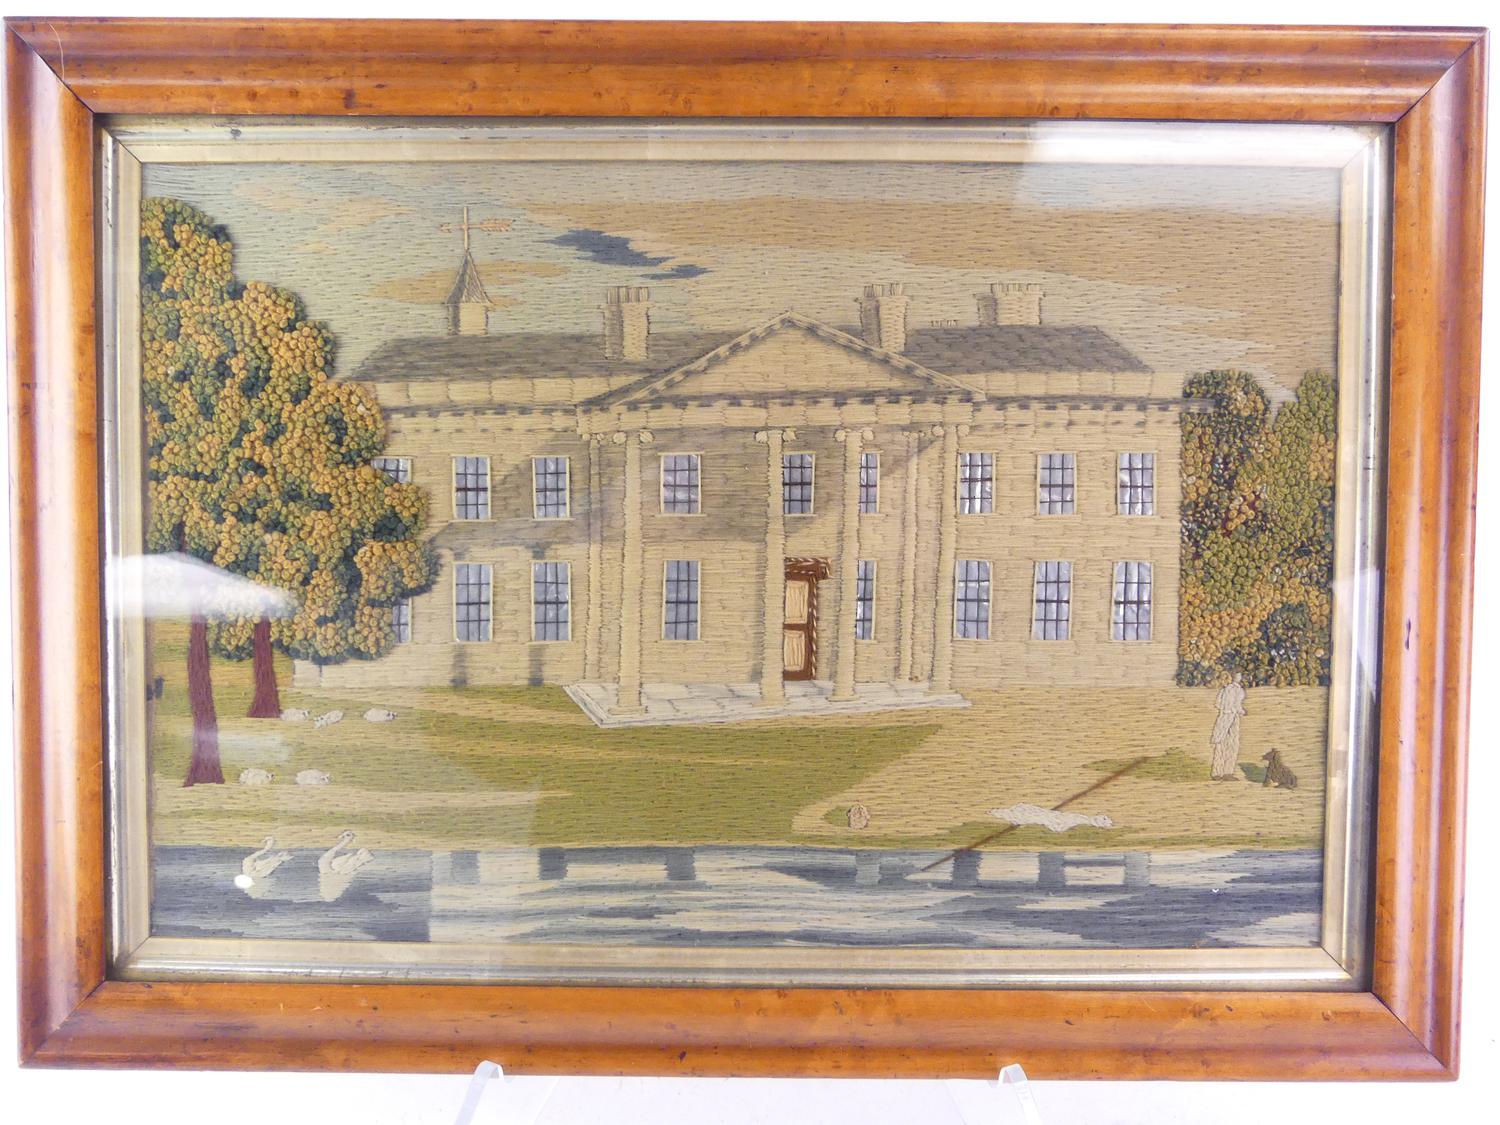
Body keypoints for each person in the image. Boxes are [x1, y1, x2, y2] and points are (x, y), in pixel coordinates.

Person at [1210, 672, 1247, 780]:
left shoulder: (1224, 690)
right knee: (1231, 744)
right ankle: (1227, 772)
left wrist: (1226, 709)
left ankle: (1217, 772)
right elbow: (1237, 706)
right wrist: (1242, 711)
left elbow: (1217, 704)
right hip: (1232, 716)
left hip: (1223, 717)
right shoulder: (1237, 689)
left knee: (1221, 743)